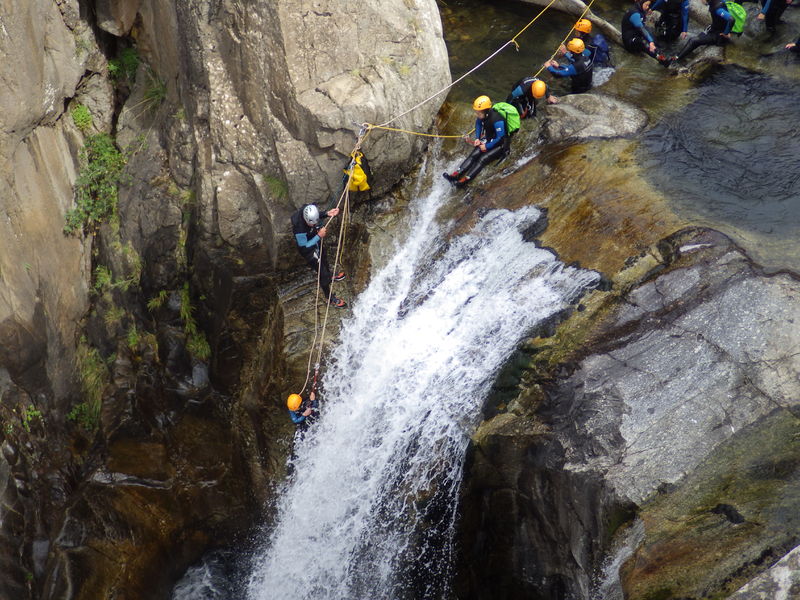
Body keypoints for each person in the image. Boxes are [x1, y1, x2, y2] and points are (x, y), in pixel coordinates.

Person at [443, 95, 513, 188]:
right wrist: (477, 138)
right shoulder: (483, 115)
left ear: (486, 111)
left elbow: (501, 138)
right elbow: (478, 124)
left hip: (501, 145)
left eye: (478, 113)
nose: (477, 115)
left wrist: (487, 146)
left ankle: (464, 181)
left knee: (482, 159)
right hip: (489, 139)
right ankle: (456, 174)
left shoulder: (497, 120)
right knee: (474, 155)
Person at [291, 203, 346, 308]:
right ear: (307, 221)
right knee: (323, 274)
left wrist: (326, 213)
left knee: (324, 257)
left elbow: (316, 216)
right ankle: (329, 298)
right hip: (309, 250)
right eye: (312, 223)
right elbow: (304, 248)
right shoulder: (299, 229)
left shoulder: (307, 210)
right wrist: (318, 236)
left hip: (314, 238)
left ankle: (330, 276)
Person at [622, 0, 675, 65]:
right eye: (646, 5)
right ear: (641, 3)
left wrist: (652, 41)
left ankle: (662, 55)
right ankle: (663, 60)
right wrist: (650, 42)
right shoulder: (634, 13)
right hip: (630, 40)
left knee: (653, 38)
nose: (647, 7)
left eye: (648, 5)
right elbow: (641, 29)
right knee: (645, 43)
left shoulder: (641, 10)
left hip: (637, 34)